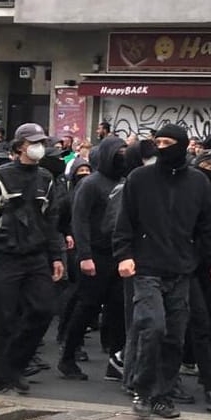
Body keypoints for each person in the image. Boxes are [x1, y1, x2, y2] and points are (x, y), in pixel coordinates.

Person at [114, 124, 211, 420]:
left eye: (168, 142)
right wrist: (124, 255)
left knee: (175, 336)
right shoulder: (139, 179)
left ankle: (163, 394)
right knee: (152, 327)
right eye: (157, 142)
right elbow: (124, 221)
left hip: (181, 270)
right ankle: (142, 389)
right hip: (146, 268)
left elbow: (210, 226)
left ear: (182, 145)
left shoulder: (199, 183)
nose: (162, 147)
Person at [0, 124, 66, 395]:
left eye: (42, 141)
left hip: (36, 256)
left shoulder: (46, 177)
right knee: (2, 319)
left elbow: (52, 220)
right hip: (3, 255)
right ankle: (1, 380)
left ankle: (14, 366)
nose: (39, 146)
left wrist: (56, 255)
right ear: (19, 146)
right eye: (34, 142)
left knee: (44, 309)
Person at [60, 137, 128, 382]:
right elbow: (80, 220)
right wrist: (85, 255)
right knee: (87, 307)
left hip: (119, 255)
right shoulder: (90, 184)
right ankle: (67, 357)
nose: (123, 156)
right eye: (118, 152)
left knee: (119, 309)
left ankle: (116, 361)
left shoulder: (126, 181)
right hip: (95, 255)